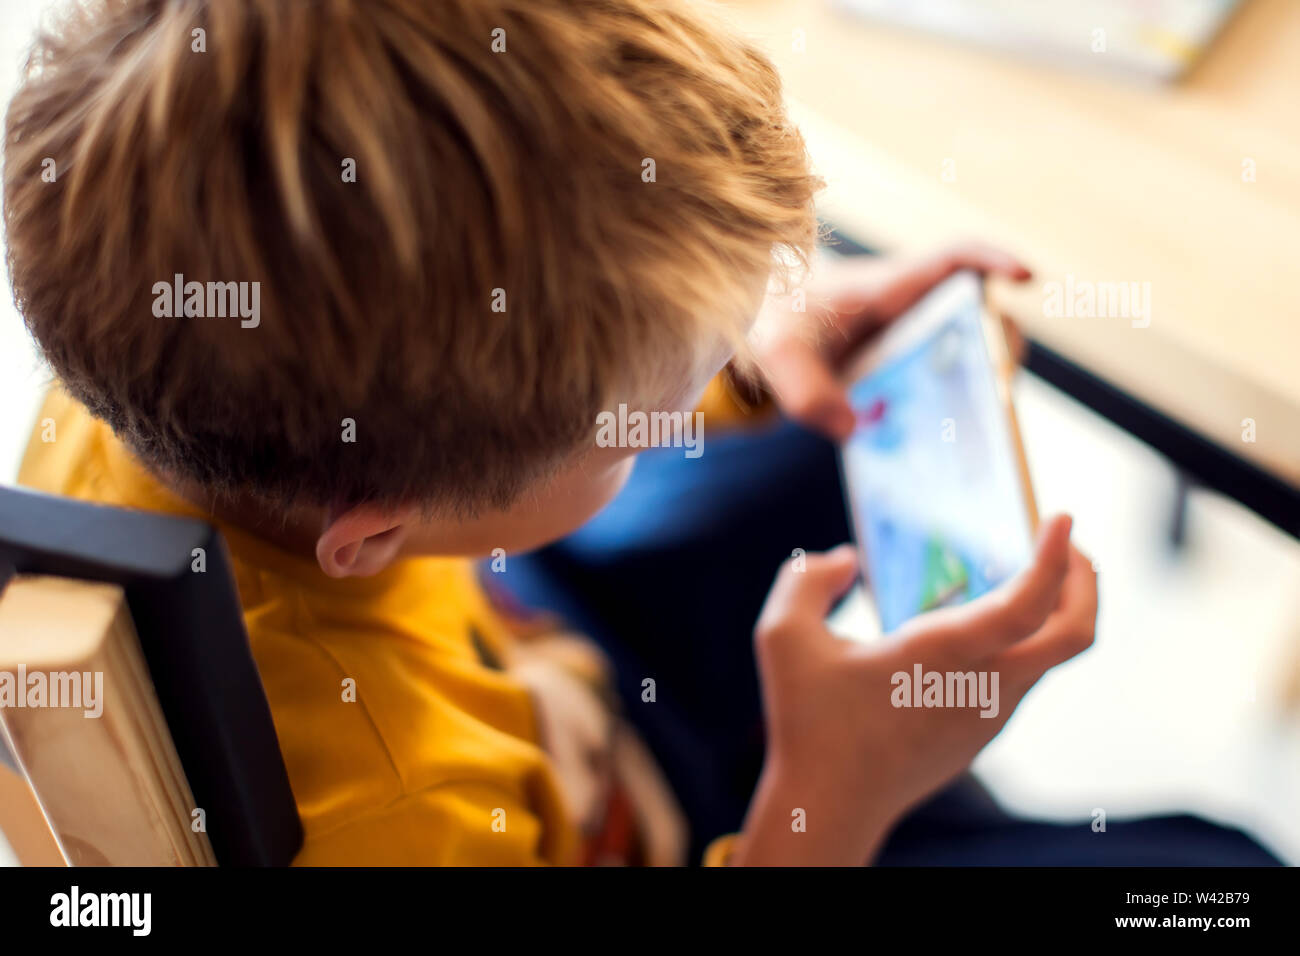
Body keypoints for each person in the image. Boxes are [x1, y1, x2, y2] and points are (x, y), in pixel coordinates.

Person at [7, 0, 1221, 866]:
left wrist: (745, 346)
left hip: (533, 635)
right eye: (636, 422)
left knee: (820, 421)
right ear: (374, 529)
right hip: (670, 811)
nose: (691, 400)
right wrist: (827, 799)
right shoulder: (403, 817)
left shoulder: (152, 337)